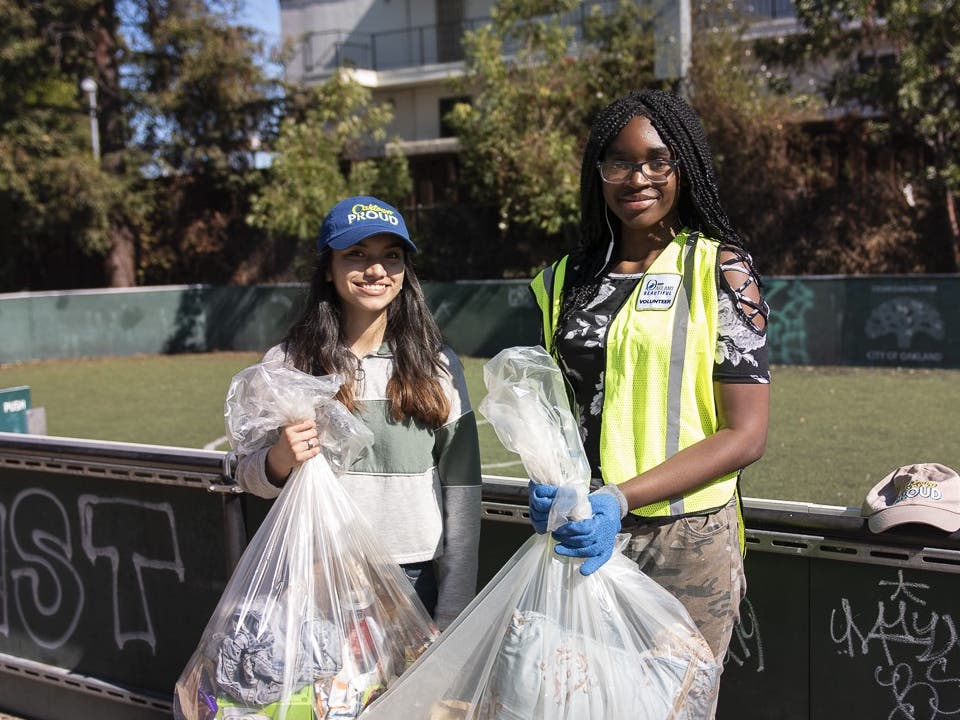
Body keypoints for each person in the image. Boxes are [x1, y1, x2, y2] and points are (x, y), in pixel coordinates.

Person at [528, 89, 770, 684]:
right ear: (598, 173)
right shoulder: (561, 280)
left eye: (659, 160)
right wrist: (548, 483)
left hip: (685, 543)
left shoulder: (720, 270)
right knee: (582, 701)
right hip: (584, 538)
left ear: (683, 167)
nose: (639, 177)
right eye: (620, 161)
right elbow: (554, 412)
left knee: (671, 705)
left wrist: (622, 497)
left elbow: (746, 435)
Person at [235, 195, 482, 631]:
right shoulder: (287, 363)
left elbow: (462, 491)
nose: (376, 270)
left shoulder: (439, 365)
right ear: (328, 270)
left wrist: (453, 610)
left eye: (392, 256)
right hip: (315, 575)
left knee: (403, 702)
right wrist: (279, 459)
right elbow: (247, 476)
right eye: (357, 255)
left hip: (411, 578)